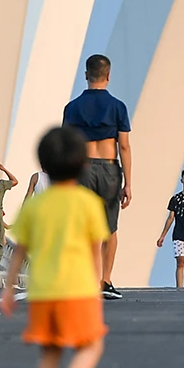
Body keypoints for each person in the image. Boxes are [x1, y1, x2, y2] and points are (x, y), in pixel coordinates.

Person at [0, 125, 109, 368]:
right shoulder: (88, 204)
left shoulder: (36, 205)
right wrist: (98, 285)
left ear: (43, 164)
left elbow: (19, 250)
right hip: (78, 288)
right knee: (91, 345)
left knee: (49, 352)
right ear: (84, 164)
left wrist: (8, 290)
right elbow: (94, 251)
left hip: (43, 290)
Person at [62, 54, 132, 300]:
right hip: (109, 167)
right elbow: (124, 146)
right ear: (109, 76)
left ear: (86, 75)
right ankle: (106, 279)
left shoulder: (71, 108)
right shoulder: (118, 106)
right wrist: (129, 183)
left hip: (81, 168)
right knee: (109, 227)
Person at [156, 170, 184, 289]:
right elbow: (171, 218)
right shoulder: (176, 199)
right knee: (180, 262)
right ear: (182, 180)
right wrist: (162, 236)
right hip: (179, 234)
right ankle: (180, 288)